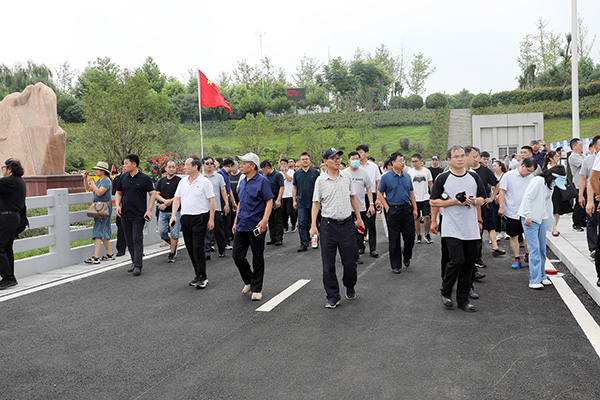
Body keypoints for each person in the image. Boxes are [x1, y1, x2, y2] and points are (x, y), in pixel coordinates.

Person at [430, 146, 486, 312]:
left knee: (469, 264)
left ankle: (463, 299)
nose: (460, 159)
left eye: (462, 156)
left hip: (471, 228)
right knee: (456, 260)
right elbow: (433, 201)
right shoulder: (443, 178)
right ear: (449, 160)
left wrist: (474, 201)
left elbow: (483, 199)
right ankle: (446, 291)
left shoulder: (474, 177)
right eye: (456, 156)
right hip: (451, 227)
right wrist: (453, 202)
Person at [310, 148, 364, 309]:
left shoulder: (346, 176)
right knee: (328, 265)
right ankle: (333, 296)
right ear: (325, 161)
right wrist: (313, 225)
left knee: (350, 262)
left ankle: (350, 285)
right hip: (328, 226)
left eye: (339, 157)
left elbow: (353, 197)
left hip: (347, 225)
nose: (338, 160)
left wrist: (359, 218)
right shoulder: (320, 180)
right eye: (334, 158)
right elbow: (316, 203)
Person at [232, 153, 273, 301]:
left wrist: (264, 221)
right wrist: (235, 221)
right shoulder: (242, 182)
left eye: (243, 163)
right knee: (237, 256)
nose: (240, 165)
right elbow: (241, 203)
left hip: (256, 226)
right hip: (242, 224)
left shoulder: (262, 181)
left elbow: (269, 201)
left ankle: (257, 288)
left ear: (252, 165)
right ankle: (249, 280)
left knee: (257, 257)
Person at [170, 157, 215, 289]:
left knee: (197, 248)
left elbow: (211, 201)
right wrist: (174, 215)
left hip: (200, 218)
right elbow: (177, 199)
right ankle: (197, 274)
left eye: (187, 164)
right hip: (186, 218)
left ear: (195, 167)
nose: (184, 167)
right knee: (190, 248)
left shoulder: (204, 182)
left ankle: (203, 276)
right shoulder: (183, 182)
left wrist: (211, 219)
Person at [518, 166, 566, 289]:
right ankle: (534, 279)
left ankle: (542, 276)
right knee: (534, 249)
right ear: (553, 176)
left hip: (542, 218)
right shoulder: (538, 180)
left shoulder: (550, 184)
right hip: (531, 219)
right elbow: (528, 197)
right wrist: (528, 216)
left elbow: (547, 203)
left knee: (542, 249)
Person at [115, 154, 156, 276]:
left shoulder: (145, 179)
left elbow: (152, 194)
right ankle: (134, 261)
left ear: (134, 164)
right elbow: (118, 193)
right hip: (125, 214)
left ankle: (138, 265)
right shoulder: (123, 178)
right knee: (129, 239)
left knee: (136, 238)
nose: (124, 166)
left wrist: (149, 210)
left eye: (126, 163)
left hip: (139, 214)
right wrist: (118, 205)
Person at [377, 152, 417, 273]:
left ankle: (407, 255)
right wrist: (387, 207)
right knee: (394, 239)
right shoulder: (386, 177)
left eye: (403, 160)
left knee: (410, 237)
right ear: (393, 162)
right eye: (400, 160)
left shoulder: (407, 176)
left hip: (406, 209)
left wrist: (415, 208)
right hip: (393, 210)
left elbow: (411, 193)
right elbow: (380, 193)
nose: (402, 162)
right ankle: (396, 265)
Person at [498, 157, 537, 269]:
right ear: (523, 166)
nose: (529, 173)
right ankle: (516, 258)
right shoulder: (508, 176)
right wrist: (501, 207)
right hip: (512, 211)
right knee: (513, 235)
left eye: (532, 172)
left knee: (528, 235)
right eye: (528, 170)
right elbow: (502, 191)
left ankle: (527, 254)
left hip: (527, 212)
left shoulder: (531, 177)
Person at [0, 158, 26, 290]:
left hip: (8, 217)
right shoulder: (18, 181)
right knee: (7, 248)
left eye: (3, 168)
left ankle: (8, 278)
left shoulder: (11, 181)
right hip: (11, 217)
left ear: (9, 169)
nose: (2, 171)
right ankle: (10, 278)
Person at [347, 151, 375, 264]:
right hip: (347, 209)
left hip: (361, 207)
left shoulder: (363, 173)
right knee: (350, 233)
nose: (355, 161)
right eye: (353, 159)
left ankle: (360, 248)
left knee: (361, 232)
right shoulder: (344, 173)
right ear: (348, 160)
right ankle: (355, 255)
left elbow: (369, 188)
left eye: (357, 159)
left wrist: (371, 203)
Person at [83, 162, 114, 264]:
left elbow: (99, 192)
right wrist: (85, 179)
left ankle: (96, 256)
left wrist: (92, 181)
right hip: (99, 207)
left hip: (103, 208)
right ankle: (110, 254)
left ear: (103, 171)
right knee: (103, 229)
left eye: (97, 169)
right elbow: (88, 188)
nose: (95, 171)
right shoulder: (100, 181)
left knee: (98, 230)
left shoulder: (106, 181)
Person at [356, 145, 382, 258]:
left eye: (361, 152)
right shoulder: (355, 166)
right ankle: (360, 246)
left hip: (371, 196)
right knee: (359, 222)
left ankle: (373, 248)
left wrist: (377, 198)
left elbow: (378, 181)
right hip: (358, 197)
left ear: (366, 153)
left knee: (371, 223)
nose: (359, 155)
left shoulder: (373, 167)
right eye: (357, 152)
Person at [202, 156, 229, 260]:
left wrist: (226, 204)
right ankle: (207, 251)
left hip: (216, 207)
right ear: (203, 165)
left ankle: (222, 249)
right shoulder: (201, 178)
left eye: (211, 163)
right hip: (204, 208)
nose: (210, 165)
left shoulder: (219, 177)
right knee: (206, 231)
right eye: (207, 163)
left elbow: (223, 191)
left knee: (218, 230)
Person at [292, 152, 320, 252]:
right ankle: (303, 243)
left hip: (314, 202)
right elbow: (294, 187)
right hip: (301, 202)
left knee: (314, 222)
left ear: (309, 160)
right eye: (303, 159)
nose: (305, 161)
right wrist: (294, 200)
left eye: (306, 159)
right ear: (300, 161)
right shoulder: (297, 174)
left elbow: (320, 188)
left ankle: (314, 240)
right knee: (302, 222)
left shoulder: (315, 173)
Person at [155, 160, 182, 263]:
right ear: (165, 168)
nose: (171, 169)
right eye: (169, 167)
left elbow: (179, 195)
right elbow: (156, 194)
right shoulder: (161, 181)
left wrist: (168, 202)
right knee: (162, 232)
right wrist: (164, 201)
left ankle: (172, 253)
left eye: (173, 167)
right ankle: (173, 244)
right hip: (163, 211)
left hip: (175, 211)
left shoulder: (179, 181)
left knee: (175, 233)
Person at [579, 136, 600, 258]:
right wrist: (585, 198)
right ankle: (593, 248)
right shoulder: (588, 160)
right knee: (592, 221)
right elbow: (587, 180)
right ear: (593, 147)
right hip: (594, 194)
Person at [408, 153, 433, 244]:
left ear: (420, 161)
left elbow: (430, 183)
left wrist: (433, 195)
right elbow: (408, 187)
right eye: (413, 162)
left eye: (416, 161)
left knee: (427, 217)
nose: (414, 163)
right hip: (415, 199)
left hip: (425, 197)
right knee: (416, 218)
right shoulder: (410, 172)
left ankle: (427, 234)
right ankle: (418, 235)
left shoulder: (426, 171)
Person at [260, 160, 284, 246]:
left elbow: (281, 187)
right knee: (270, 220)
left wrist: (278, 200)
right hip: (268, 200)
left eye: (264, 170)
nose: (263, 172)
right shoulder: (265, 177)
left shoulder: (278, 175)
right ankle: (272, 237)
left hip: (276, 199)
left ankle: (279, 238)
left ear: (268, 168)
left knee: (277, 220)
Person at [218, 158, 237, 250]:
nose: (233, 169)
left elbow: (229, 191)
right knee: (223, 221)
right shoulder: (220, 174)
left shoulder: (227, 175)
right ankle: (224, 242)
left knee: (227, 221)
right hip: (222, 200)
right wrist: (226, 203)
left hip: (227, 199)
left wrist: (233, 202)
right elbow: (223, 191)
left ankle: (226, 241)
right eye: (232, 166)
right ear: (229, 166)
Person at [568, 138, 586, 231]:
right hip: (579, 183)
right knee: (579, 203)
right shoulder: (573, 157)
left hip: (586, 183)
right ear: (574, 146)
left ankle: (583, 221)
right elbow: (585, 165)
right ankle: (576, 224)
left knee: (585, 202)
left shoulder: (581, 155)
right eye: (580, 145)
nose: (582, 146)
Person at [111, 170, 127, 257]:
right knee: (121, 228)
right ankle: (121, 249)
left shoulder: (137, 177)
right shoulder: (118, 179)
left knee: (135, 230)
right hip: (121, 206)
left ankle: (137, 250)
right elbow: (115, 192)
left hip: (134, 207)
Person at [279, 158, 297, 233]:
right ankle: (285, 226)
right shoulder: (279, 173)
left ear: (287, 164)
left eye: (284, 164)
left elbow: (290, 179)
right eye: (281, 164)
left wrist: (284, 172)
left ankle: (293, 224)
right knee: (283, 212)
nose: (283, 165)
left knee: (290, 211)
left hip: (290, 195)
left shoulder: (292, 172)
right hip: (282, 195)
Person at [491, 160, 507, 240]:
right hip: (494, 198)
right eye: (493, 166)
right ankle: (499, 232)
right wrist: (494, 196)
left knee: (505, 215)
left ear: (500, 166)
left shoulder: (505, 175)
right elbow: (491, 187)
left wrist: (499, 196)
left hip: (504, 197)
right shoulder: (492, 175)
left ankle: (506, 232)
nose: (494, 167)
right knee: (495, 215)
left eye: (495, 166)